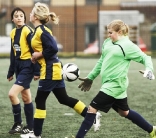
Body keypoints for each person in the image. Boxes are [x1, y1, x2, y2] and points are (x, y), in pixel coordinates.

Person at [21, 2, 101, 138]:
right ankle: (92, 115)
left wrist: (38, 55)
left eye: (31, 12)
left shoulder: (42, 31)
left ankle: (36, 134)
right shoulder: (39, 31)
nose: (29, 14)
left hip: (51, 71)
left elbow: (53, 48)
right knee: (63, 99)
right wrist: (36, 57)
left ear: (35, 16)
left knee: (40, 99)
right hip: (54, 69)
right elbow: (46, 50)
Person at [75, 19, 156, 138]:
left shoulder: (128, 46)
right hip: (108, 84)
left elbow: (145, 58)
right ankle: (152, 130)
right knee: (124, 112)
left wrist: (149, 69)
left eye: (111, 33)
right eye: (108, 32)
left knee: (91, 109)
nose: (108, 35)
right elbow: (101, 61)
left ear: (119, 32)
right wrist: (90, 77)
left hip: (115, 85)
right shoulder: (107, 42)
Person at [7, 7, 40, 135]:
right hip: (18, 66)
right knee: (26, 97)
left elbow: (34, 50)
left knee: (12, 94)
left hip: (28, 66)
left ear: (25, 18)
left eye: (21, 15)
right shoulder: (13, 32)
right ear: (12, 19)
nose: (19, 17)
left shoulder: (27, 30)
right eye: (16, 16)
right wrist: (11, 71)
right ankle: (31, 126)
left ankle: (18, 123)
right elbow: (13, 53)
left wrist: (36, 71)